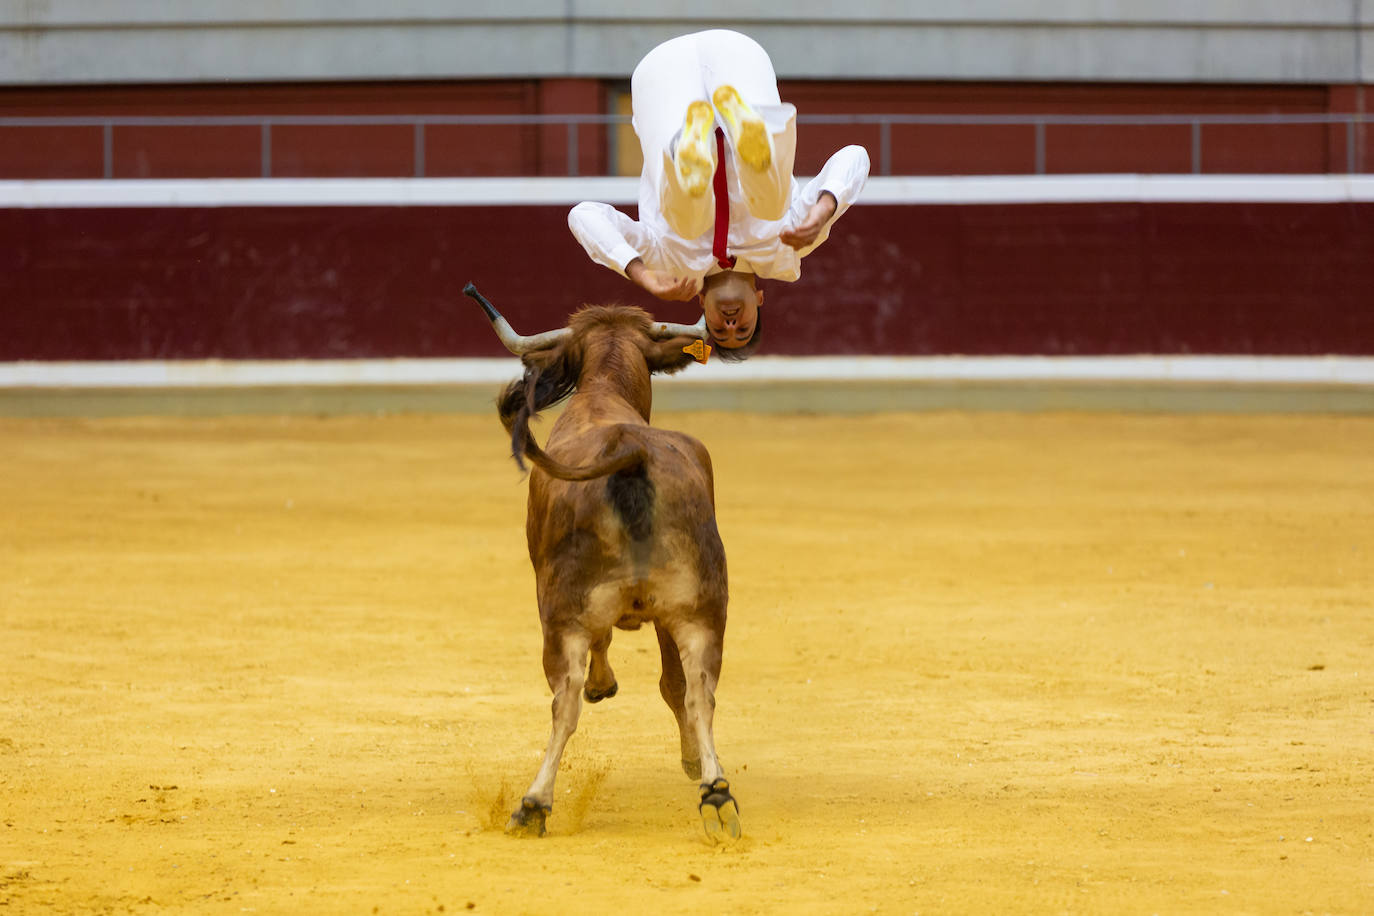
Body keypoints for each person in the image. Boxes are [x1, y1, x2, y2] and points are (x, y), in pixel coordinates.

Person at [568, 29, 870, 358]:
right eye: (743, 329)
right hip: (739, 62)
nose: (730, 325)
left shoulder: (668, 263)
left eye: (717, 330)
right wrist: (823, 211)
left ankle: (691, 156)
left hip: (664, 82)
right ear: (759, 300)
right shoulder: (787, 253)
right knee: (772, 211)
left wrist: (642, 275)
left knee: (687, 226)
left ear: (701, 305)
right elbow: (855, 156)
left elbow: (583, 215)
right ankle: (746, 137)